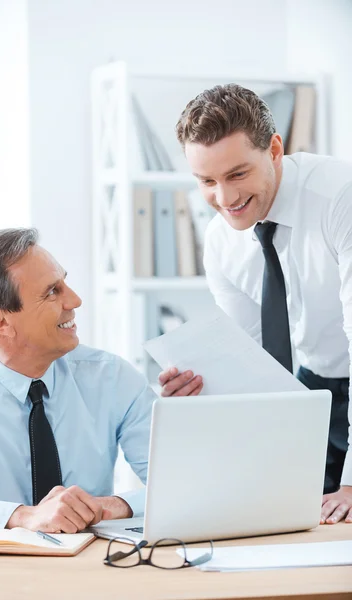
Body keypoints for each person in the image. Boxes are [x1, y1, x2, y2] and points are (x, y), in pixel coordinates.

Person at [159, 83, 352, 525]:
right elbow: (253, 363)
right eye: (207, 182)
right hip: (312, 386)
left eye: (237, 174)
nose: (225, 200)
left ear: (275, 149)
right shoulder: (220, 241)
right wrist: (199, 387)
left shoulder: (341, 198)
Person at [0, 228, 155, 531]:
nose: (74, 300)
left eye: (65, 283)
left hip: (93, 566)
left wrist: (113, 506)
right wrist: (23, 516)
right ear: (0, 321)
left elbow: (181, 487)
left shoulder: (112, 377)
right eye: (51, 292)